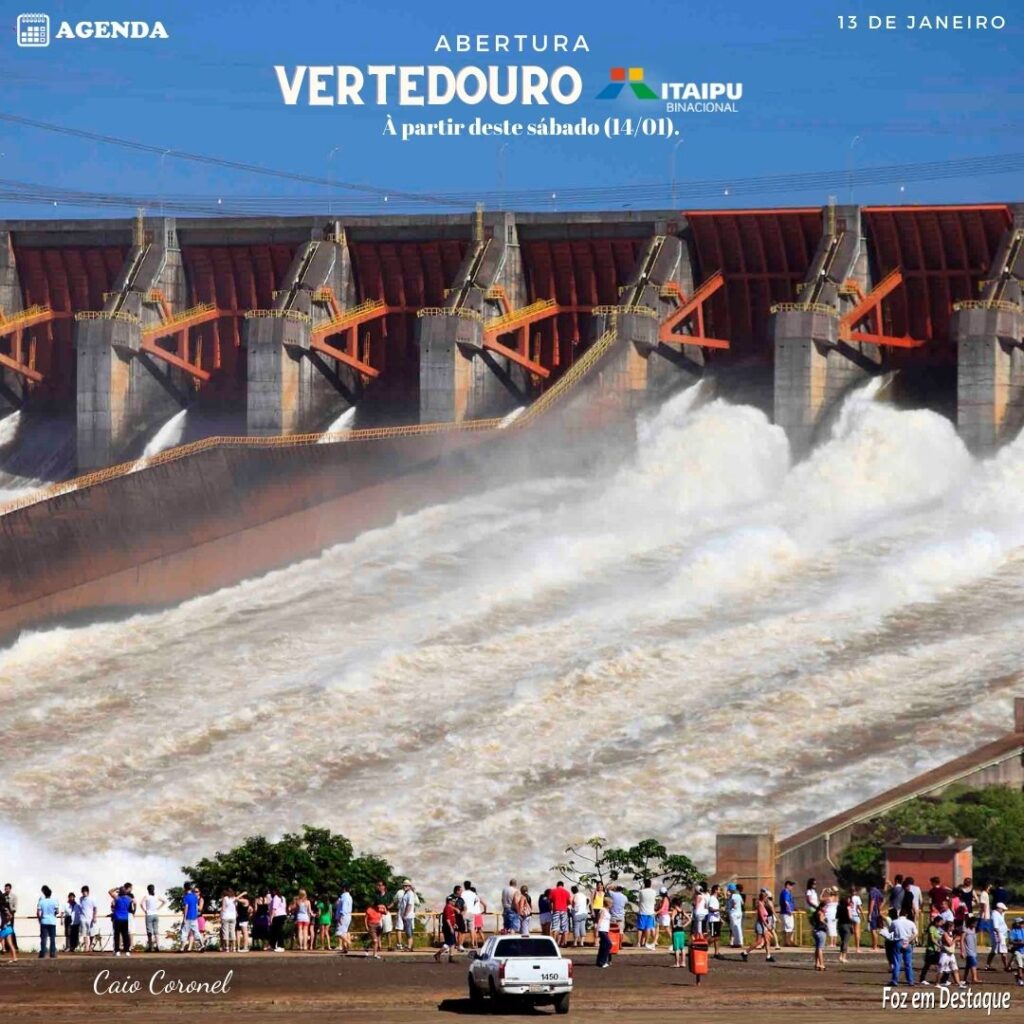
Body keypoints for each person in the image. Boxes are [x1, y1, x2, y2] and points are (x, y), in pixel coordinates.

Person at [884, 910, 918, 986]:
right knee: (908, 963)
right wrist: (909, 940)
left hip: (898, 942)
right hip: (907, 942)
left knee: (896, 963)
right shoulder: (911, 923)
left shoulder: (895, 922)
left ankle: (894, 980)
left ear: (899, 914)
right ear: (906, 915)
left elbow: (890, 931)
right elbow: (915, 933)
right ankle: (910, 981)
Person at [741, 890, 775, 963]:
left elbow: (767, 915)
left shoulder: (763, 904)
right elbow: (762, 917)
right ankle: (745, 953)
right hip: (761, 924)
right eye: (766, 897)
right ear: (763, 897)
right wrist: (766, 925)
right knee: (759, 942)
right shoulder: (760, 904)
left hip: (764, 924)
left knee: (767, 940)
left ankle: (768, 956)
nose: (767, 899)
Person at [938, 919, 965, 988]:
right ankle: (937, 983)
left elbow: (953, 944)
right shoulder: (945, 934)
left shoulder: (951, 934)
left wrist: (956, 942)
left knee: (955, 968)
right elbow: (949, 944)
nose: (954, 928)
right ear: (949, 927)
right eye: (952, 927)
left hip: (951, 954)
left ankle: (959, 983)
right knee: (941, 969)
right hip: (945, 954)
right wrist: (955, 939)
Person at [919, 914, 943, 986]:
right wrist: (939, 945)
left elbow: (939, 938)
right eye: (940, 922)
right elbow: (932, 939)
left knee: (938, 964)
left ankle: (940, 979)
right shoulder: (932, 928)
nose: (941, 924)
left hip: (936, 950)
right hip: (931, 950)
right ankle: (922, 979)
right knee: (927, 965)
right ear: (936, 922)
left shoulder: (937, 929)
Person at [36, 885, 59, 959]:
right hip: (52, 921)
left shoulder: (41, 901)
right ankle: (52, 953)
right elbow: (57, 911)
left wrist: (40, 919)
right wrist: (53, 914)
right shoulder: (54, 901)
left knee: (43, 938)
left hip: (44, 921)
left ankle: (43, 952)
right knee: (52, 938)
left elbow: (39, 913)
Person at [179, 882, 203, 953]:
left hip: (188, 917)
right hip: (194, 917)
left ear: (184, 888)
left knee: (184, 932)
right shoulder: (195, 896)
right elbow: (196, 906)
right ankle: (202, 945)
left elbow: (186, 907)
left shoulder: (186, 897)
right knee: (197, 932)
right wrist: (195, 915)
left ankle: (182, 948)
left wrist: (184, 918)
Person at [434, 895, 458, 963]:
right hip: (447, 928)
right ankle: (438, 954)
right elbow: (447, 919)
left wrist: (454, 924)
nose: (454, 902)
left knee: (453, 943)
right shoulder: (447, 908)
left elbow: (452, 918)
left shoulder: (451, 908)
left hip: (451, 927)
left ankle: (451, 957)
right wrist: (451, 927)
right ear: (449, 901)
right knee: (448, 943)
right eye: (453, 901)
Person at [548, 881, 571, 947]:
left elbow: (550, 901)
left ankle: (555, 943)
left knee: (555, 927)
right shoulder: (566, 892)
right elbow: (569, 902)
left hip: (556, 910)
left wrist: (551, 908)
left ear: (557, 885)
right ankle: (565, 942)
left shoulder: (553, 891)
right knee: (565, 927)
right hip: (564, 910)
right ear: (563, 885)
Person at [142, 885, 164, 952]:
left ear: (147, 890)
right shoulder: (156, 896)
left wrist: (145, 910)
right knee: (156, 931)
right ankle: (158, 946)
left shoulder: (146, 896)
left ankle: (150, 947)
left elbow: (140, 904)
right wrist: (158, 908)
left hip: (149, 914)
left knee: (149, 932)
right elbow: (164, 901)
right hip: (156, 914)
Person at [988, 902, 1010, 972]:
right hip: (999, 935)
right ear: (999, 908)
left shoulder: (999, 914)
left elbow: (1002, 923)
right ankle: (1006, 966)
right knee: (1004, 951)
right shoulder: (995, 915)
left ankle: (988, 965)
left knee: (994, 951)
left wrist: (1007, 929)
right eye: (1003, 909)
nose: (1004, 911)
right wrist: (999, 936)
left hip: (1001, 934)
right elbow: (996, 927)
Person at [636, 878, 656, 950]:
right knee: (648, 928)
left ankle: (638, 943)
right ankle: (646, 943)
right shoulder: (654, 892)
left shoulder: (641, 892)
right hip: (651, 912)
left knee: (640, 928)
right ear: (650, 884)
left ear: (644, 884)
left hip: (642, 912)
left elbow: (638, 901)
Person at [670, 899, 691, 968]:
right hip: (681, 931)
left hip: (676, 931)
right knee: (682, 948)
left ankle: (677, 963)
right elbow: (689, 919)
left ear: (675, 904)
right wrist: (684, 925)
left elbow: (672, 919)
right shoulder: (682, 911)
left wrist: (673, 925)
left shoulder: (674, 911)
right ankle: (683, 962)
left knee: (676, 948)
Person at [397, 880, 417, 951]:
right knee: (408, 931)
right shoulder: (406, 893)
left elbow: (410, 905)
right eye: (404, 885)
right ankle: (410, 946)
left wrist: (405, 914)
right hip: (406, 915)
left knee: (408, 931)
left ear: (409, 886)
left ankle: (409, 947)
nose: (404, 887)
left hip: (408, 916)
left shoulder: (410, 894)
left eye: (406, 885)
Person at [810, 900, 828, 972]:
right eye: (825, 907)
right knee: (820, 948)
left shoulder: (816, 912)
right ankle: (822, 964)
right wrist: (826, 923)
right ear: (822, 907)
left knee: (817, 948)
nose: (826, 909)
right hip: (821, 931)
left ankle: (817, 963)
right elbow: (821, 919)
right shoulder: (821, 913)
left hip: (816, 931)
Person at [334, 884, 353, 954]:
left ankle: (349, 943)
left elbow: (344, 908)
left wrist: (341, 916)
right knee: (344, 933)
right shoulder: (349, 897)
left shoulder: (344, 897)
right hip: (348, 915)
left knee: (338, 933)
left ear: (344, 889)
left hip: (343, 916)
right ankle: (345, 949)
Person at [962, 915, 980, 986]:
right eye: (975, 923)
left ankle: (964, 979)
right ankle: (974, 978)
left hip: (974, 950)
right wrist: (962, 950)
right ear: (971, 923)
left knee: (968, 965)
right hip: (969, 951)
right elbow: (961, 940)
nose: (976, 924)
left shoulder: (974, 930)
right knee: (973, 964)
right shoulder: (966, 929)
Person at [79, 886, 98, 952]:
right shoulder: (80, 899)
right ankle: (86, 946)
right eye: (83, 892)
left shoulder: (92, 899)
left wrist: (94, 917)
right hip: (83, 918)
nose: (84, 893)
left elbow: (95, 908)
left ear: (88, 892)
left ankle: (90, 945)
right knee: (84, 933)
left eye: (85, 892)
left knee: (91, 933)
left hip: (90, 919)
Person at [595, 900, 613, 968]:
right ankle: (603, 961)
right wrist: (597, 930)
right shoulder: (603, 910)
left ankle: (599, 961)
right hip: (601, 929)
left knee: (603, 946)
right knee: (608, 944)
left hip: (605, 930)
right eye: (611, 903)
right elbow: (600, 919)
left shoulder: (607, 910)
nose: (612, 904)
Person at [219, 889, 238, 953]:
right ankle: (234, 948)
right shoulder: (234, 898)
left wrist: (220, 915)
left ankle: (227, 948)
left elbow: (223, 908)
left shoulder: (225, 898)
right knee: (232, 932)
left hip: (226, 916)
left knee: (225, 932)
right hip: (233, 917)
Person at [268, 888, 286, 953]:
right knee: (276, 931)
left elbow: (274, 908)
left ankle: (281, 946)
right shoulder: (283, 898)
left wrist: (271, 917)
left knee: (278, 931)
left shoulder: (276, 897)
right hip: (282, 915)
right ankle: (273, 945)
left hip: (277, 915)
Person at [868, 881, 885, 951]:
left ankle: (874, 947)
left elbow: (872, 901)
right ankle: (875, 946)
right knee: (875, 930)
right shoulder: (878, 891)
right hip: (877, 912)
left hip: (873, 913)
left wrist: (870, 913)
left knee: (873, 930)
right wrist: (880, 908)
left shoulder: (872, 892)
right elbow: (883, 900)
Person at [706, 884, 722, 957]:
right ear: (715, 890)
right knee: (713, 937)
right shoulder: (712, 898)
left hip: (717, 920)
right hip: (713, 920)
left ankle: (717, 953)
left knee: (717, 937)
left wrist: (720, 919)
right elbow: (710, 909)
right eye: (719, 890)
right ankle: (703, 946)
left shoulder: (716, 899)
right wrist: (719, 909)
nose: (720, 891)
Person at [779, 880, 797, 946]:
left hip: (786, 912)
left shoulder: (788, 893)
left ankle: (786, 942)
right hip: (786, 913)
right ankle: (788, 942)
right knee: (789, 927)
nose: (792, 887)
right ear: (787, 885)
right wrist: (789, 910)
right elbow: (786, 902)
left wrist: (794, 908)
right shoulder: (785, 892)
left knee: (787, 927)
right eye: (791, 885)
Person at [1010, 916, 1024, 987]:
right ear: (1017, 923)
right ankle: (1020, 979)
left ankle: (1018, 976)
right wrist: (1019, 942)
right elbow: (1011, 941)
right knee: (1020, 966)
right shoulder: (1013, 931)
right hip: (1017, 951)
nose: (1022, 924)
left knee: (1022, 967)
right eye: (1021, 923)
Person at [3, 884, 18, 952]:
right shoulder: (3, 896)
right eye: (5, 888)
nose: (6, 890)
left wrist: (11, 914)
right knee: (4, 929)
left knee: (11, 930)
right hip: (4, 915)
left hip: (11, 914)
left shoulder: (14, 896)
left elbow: (15, 907)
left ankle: (14, 946)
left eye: (7, 888)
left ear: (10, 889)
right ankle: (6, 947)